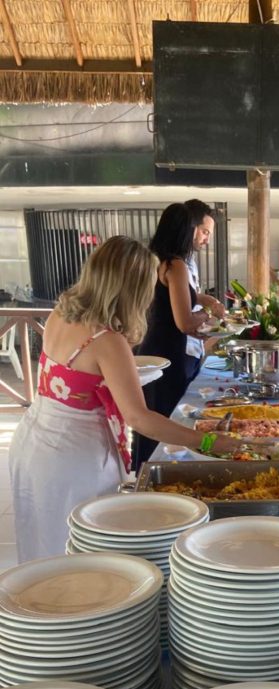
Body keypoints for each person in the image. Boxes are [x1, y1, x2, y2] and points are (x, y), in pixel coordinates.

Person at [9, 236, 240, 562]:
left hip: (33, 440)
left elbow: (80, 378)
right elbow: (138, 418)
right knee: (84, 549)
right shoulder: (106, 340)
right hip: (73, 454)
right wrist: (205, 441)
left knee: (43, 541)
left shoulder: (62, 313)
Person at [132, 203, 217, 469]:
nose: (202, 236)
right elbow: (184, 322)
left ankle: (144, 473)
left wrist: (200, 304)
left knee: (150, 416)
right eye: (199, 230)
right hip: (169, 351)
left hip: (150, 346)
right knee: (168, 419)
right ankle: (166, 474)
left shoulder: (153, 260)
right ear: (186, 229)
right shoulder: (176, 265)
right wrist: (208, 315)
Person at [183, 199, 225, 369]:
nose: (207, 240)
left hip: (193, 347)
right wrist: (208, 309)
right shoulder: (173, 264)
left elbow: (189, 299)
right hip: (178, 350)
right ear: (191, 227)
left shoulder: (190, 261)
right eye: (205, 232)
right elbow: (182, 317)